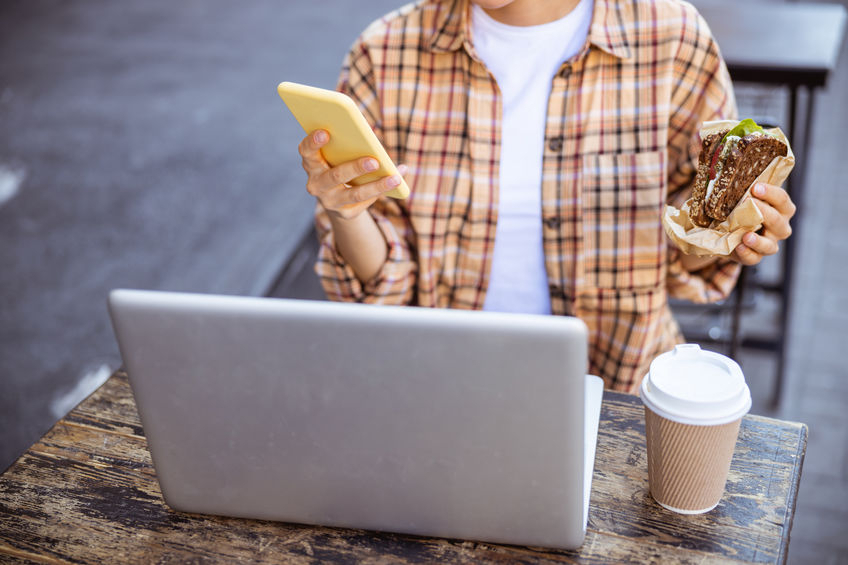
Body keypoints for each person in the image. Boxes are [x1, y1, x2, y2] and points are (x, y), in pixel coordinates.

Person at [296, 0, 796, 392]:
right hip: (437, 383)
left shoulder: (672, 38)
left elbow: (689, 258)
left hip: (617, 387)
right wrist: (346, 214)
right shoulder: (384, 52)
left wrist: (732, 227)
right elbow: (386, 289)